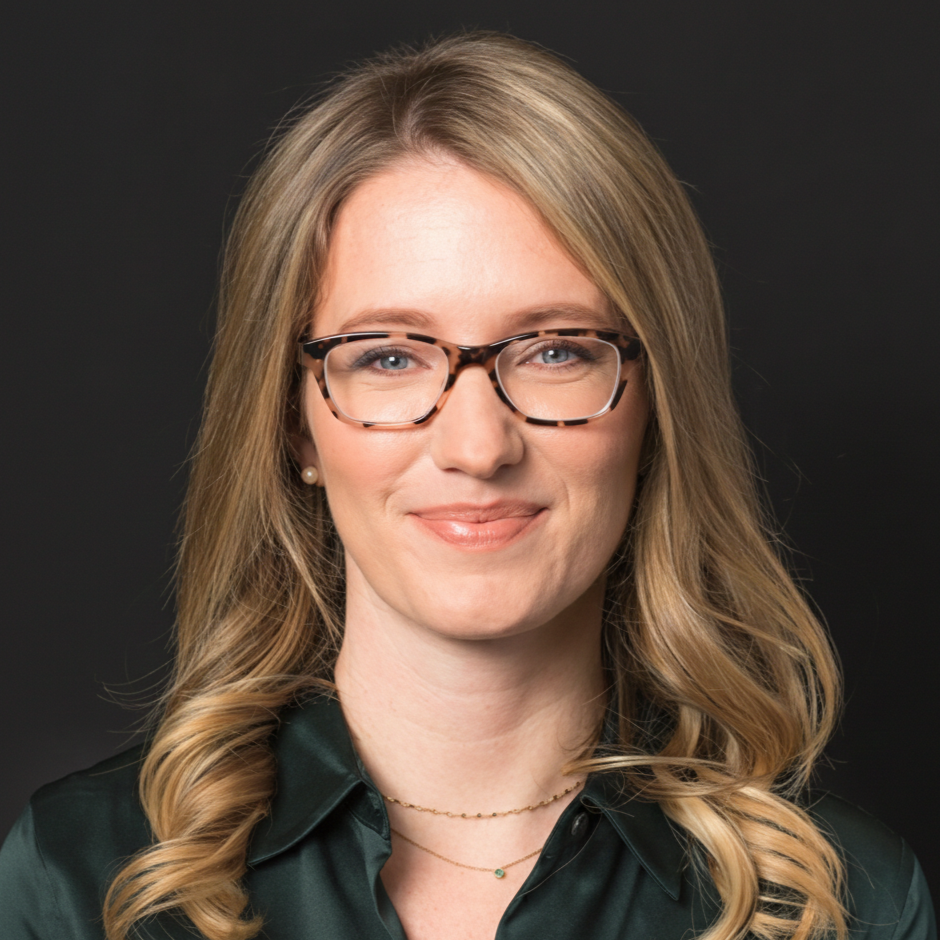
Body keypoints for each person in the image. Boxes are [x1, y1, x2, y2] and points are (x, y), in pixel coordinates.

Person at [0, 31, 933, 940]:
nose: (479, 446)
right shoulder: (84, 880)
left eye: (557, 349)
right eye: (390, 356)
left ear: (656, 410)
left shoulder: (840, 909)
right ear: (292, 423)